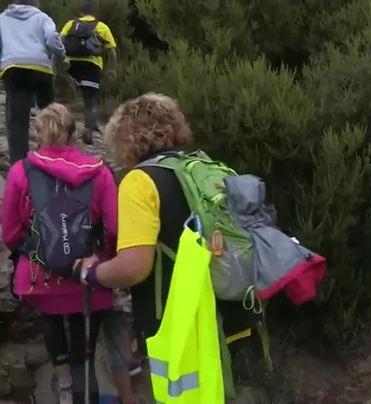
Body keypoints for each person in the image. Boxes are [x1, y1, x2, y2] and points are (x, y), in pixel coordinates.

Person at [71, 93, 325, 402]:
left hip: (183, 332)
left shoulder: (141, 181)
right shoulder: (216, 171)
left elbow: (134, 267)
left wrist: (91, 272)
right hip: (239, 317)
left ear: (125, 140)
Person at [1, 103, 118, 404]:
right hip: (89, 279)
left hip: (40, 279)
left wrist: (35, 254)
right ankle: (83, 388)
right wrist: (106, 261)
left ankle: (64, 382)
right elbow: (115, 228)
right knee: (85, 353)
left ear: (38, 134)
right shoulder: (100, 172)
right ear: (73, 134)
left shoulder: (20, 172)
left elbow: (10, 233)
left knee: (50, 314)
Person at [0, 0, 69, 164]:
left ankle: (19, 165)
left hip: (14, 68)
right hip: (40, 68)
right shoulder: (42, 17)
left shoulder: (3, 18)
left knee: (17, 121)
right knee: (50, 114)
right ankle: (51, 156)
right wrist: (61, 56)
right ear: (35, 2)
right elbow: (53, 38)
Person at [60, 1, 117, 141]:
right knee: (89, 98)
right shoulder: (102, 27)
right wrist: (111, 69)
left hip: (71, 63)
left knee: (72, 95)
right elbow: (112, 52)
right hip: (91, 64)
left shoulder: (70, 24)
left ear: (81, 13)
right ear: (95, 14)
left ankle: (65, 126)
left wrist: (60, 62)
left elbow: (59, 42)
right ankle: (88, 128)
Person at [100, 288, 142, 404]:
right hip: (128, 297)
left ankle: (127, 399)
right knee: (123, 338)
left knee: (116, 348)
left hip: (110, 297)